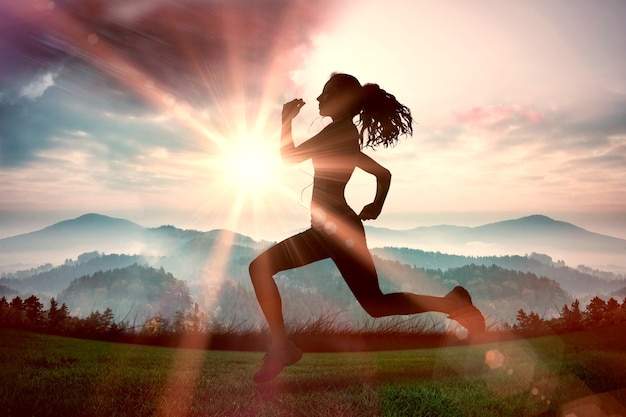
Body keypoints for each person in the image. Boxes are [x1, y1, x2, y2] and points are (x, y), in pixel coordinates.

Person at [249, 73, 485, 383]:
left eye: (325, 94)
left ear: (342, 100)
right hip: (336, 231)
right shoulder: (344, 133)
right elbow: (382, 174)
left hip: (333, 233)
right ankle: (452, 303)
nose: (318, 100)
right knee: (376, 304)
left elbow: (287, 158)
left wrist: (285, 119)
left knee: (260, 268)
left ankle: (281, 348)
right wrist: (376, 204)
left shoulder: (338, 132)